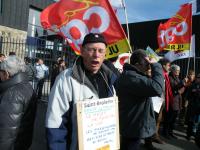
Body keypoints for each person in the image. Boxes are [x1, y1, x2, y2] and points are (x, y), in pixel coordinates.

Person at [46, 33, 118, 150]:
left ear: (105, 54)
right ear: (82, 51)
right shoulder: (66, 79)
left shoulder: (109, 79)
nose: (96, 55)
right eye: (91, 50)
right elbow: (55, 124)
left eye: (101, 51)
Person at [116, 49, 164, 150]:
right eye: (146, 64)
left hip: (132, 124)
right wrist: (157, 65)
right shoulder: (132, 77)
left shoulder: (132, 75)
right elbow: (157, 88)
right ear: (137, 64)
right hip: (133, 126)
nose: (148, 67)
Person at [0, 56, 37, 150]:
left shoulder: (13, 93)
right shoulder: (27, 86)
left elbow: (6, 133)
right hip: (22, 143)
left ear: (6, 73)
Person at [159, 58, 174, 139]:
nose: (169, 67)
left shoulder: (166, 75)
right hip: (158, 100)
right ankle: (150, 139)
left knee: (159, 120)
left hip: (163, 100)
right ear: (163, 65)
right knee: (156, 119)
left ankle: (155, 136)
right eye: (168, 65)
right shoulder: (160, 74)